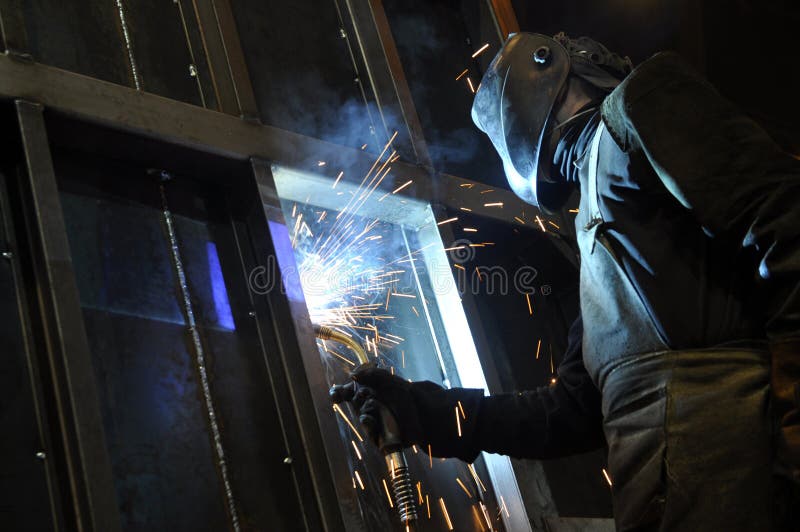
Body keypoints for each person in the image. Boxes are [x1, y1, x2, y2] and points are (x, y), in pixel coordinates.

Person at [331, 32, 800, 530]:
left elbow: (786, 221)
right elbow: (573, 410)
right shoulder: (595, 244)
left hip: (750, 479)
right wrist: (431, 413)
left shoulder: (640, 104)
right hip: (675, 501)